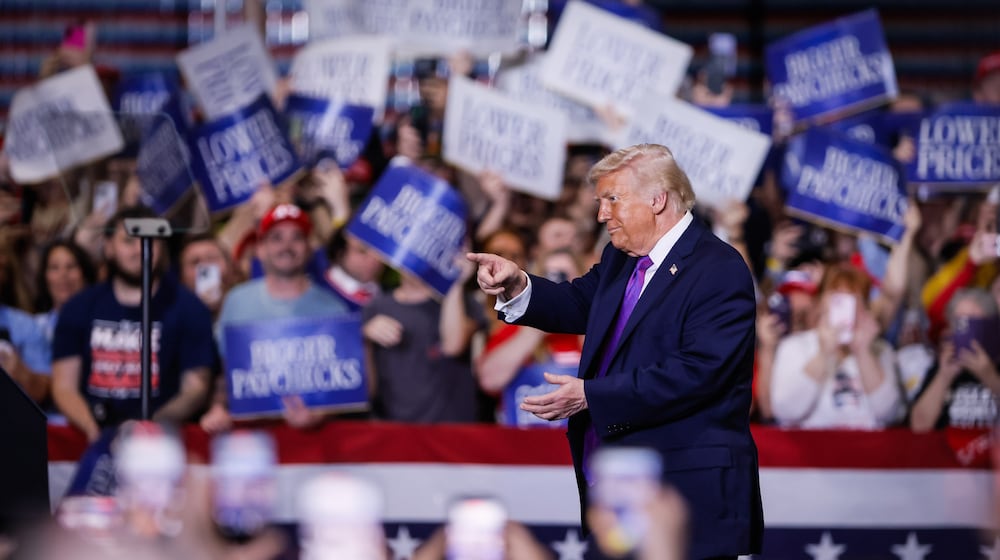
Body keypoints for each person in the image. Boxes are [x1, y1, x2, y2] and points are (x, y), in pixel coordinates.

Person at [467, 144, 763, 559]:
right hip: (622, 491)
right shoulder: (621, 259)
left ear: (657, 199)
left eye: (613, 199)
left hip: (691, 495)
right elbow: (577, 303)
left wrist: (591, 395)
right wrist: (519, 286)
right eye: (600, 202)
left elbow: (699, 373)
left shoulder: (719, 268)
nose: (602, 214)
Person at [51, 205, 216, 441]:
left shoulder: (189, 308)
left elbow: (196, 387)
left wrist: (150, 427)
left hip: (163, 439)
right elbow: (64, 386)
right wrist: (90, 428)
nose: (140, 249)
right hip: (91, 437)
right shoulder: (79, 307)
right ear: (108, 247)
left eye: (150, 240)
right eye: (129, 241)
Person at [200, 203, 351, 432]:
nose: (286, 246)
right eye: (276, 238)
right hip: (250, 436)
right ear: (260, 249)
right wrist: (218, 408)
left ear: (308, 247)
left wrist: (321, 414)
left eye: (296, 238)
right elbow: (226, 370)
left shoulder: (333, 310)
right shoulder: (237, 301)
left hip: (315, 439)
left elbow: (345, 384)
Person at [770, 264, 904, 430]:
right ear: (820, 303)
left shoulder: (881, 351)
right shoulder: (794, 347)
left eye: (854, 299)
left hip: (866, 450)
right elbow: (785, 410)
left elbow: (889, 413)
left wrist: (863, 353)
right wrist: (823, 354)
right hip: (813, 450)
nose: (845, 307)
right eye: (837, 298)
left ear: (865, 307)